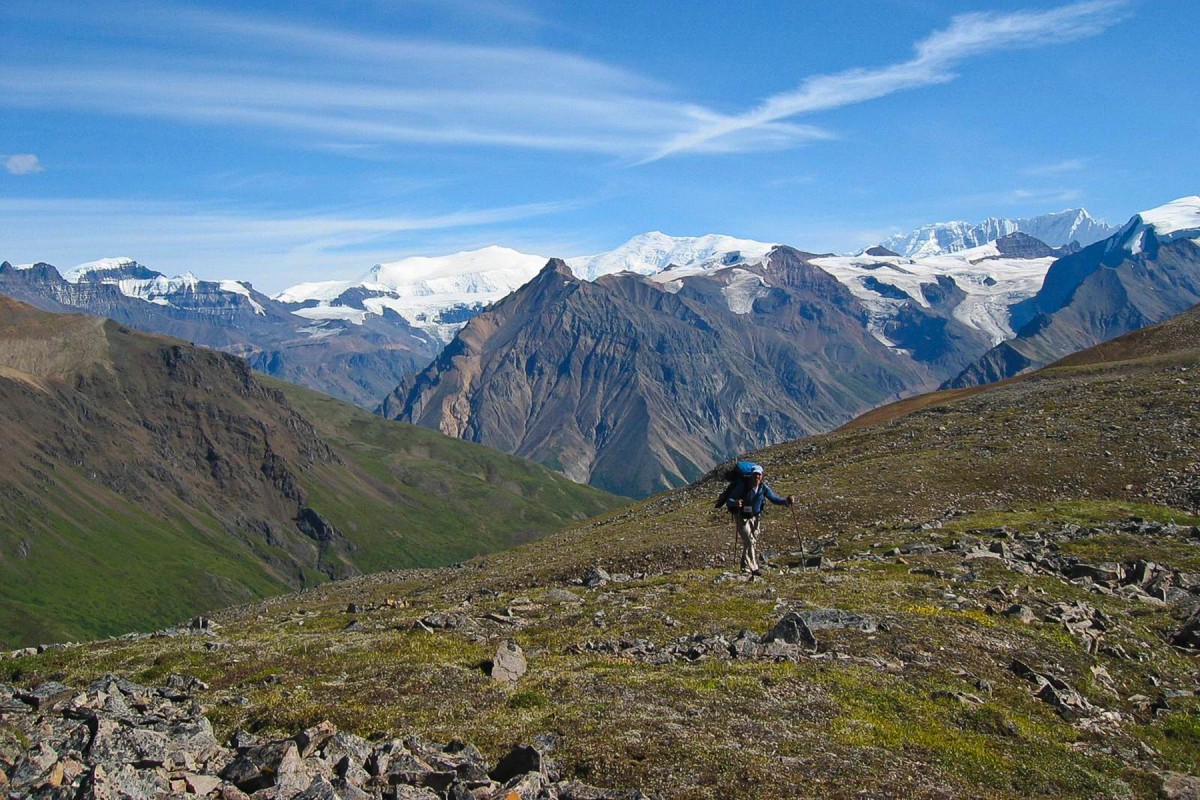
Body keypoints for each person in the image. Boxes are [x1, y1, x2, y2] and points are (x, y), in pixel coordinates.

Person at [725, 465, 794, 577]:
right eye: (755, 474)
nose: (757, 476)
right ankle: (754, 568)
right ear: (751, 475)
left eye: (759, 474)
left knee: (752, 541)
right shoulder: (743, 486)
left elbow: (774, 499)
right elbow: (729, 500)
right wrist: (735, 503)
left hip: (755, 517)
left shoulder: (763, 488)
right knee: (749, 541)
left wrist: (786, 501)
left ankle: (744, 567)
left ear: (762, 476)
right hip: (742, 517)